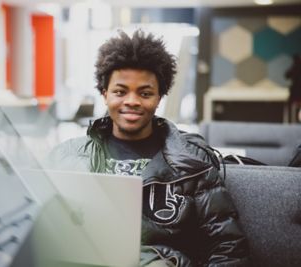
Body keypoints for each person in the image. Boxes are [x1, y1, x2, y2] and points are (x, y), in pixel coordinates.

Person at [47, 30, 249, 266]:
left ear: (159, 97)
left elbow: (228, 246)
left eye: (144, 93)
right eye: (120, 92)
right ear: (104, 94)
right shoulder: (67, 158)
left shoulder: (191, 161)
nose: (131, 101)